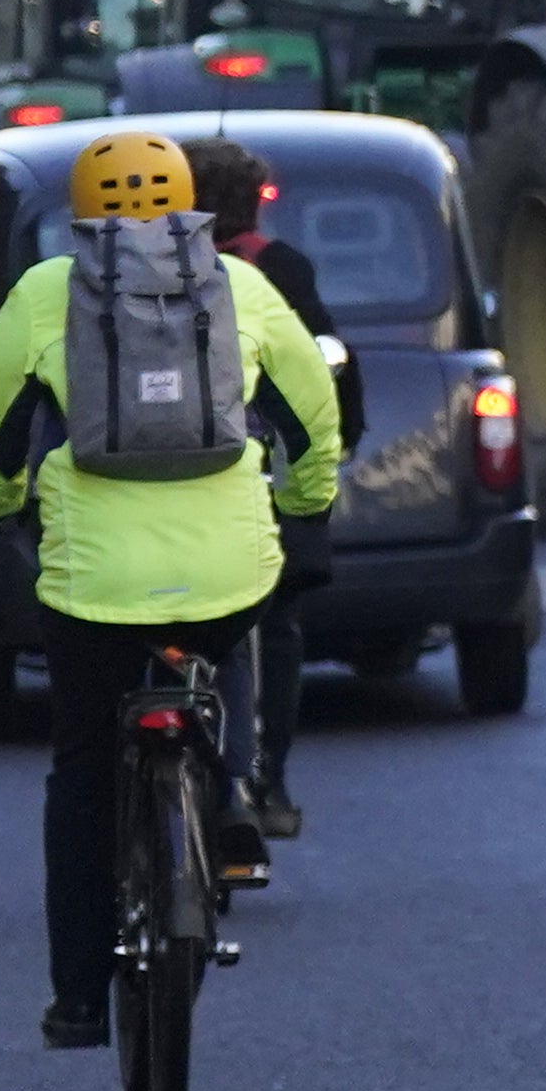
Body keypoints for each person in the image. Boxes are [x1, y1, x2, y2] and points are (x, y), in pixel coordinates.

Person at [0, 132, 344, 1049]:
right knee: (230, 635)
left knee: (84, 768)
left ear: (83, 209)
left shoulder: (49, 292)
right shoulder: (241, 286)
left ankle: (81, 993)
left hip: (93, 579)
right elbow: (310, 414)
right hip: (227, 566)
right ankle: (231, 796)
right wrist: (303, 499)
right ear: (186, 201)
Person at [179, 139, 344, 853]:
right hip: (260, 485)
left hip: (148, 494)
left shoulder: (131, 277)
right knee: (272, 632)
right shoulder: (275, 272)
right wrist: (314, 488)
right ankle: (265, 778)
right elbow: (323, 375)